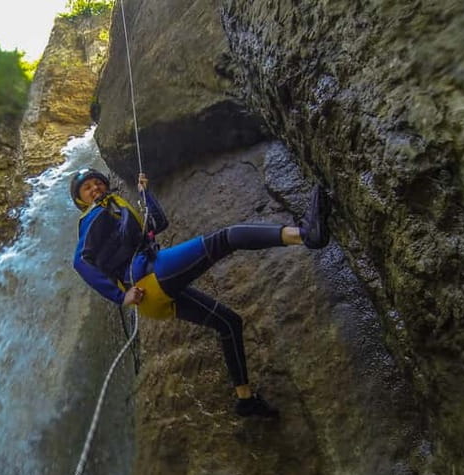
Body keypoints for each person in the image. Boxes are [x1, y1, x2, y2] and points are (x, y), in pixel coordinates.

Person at [70, 168, 330, 419]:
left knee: (228, 323)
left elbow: (159, 223)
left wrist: (145, 193)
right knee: (226, 238)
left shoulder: (114, 212)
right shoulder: (95, 216)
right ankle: (306, 235)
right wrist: (120, 297)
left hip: (151, 293)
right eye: (87, 188)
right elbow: (81, 261)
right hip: (148, 277)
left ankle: (246, 400)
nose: (95, 188)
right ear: (81, 200)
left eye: (97, 183)